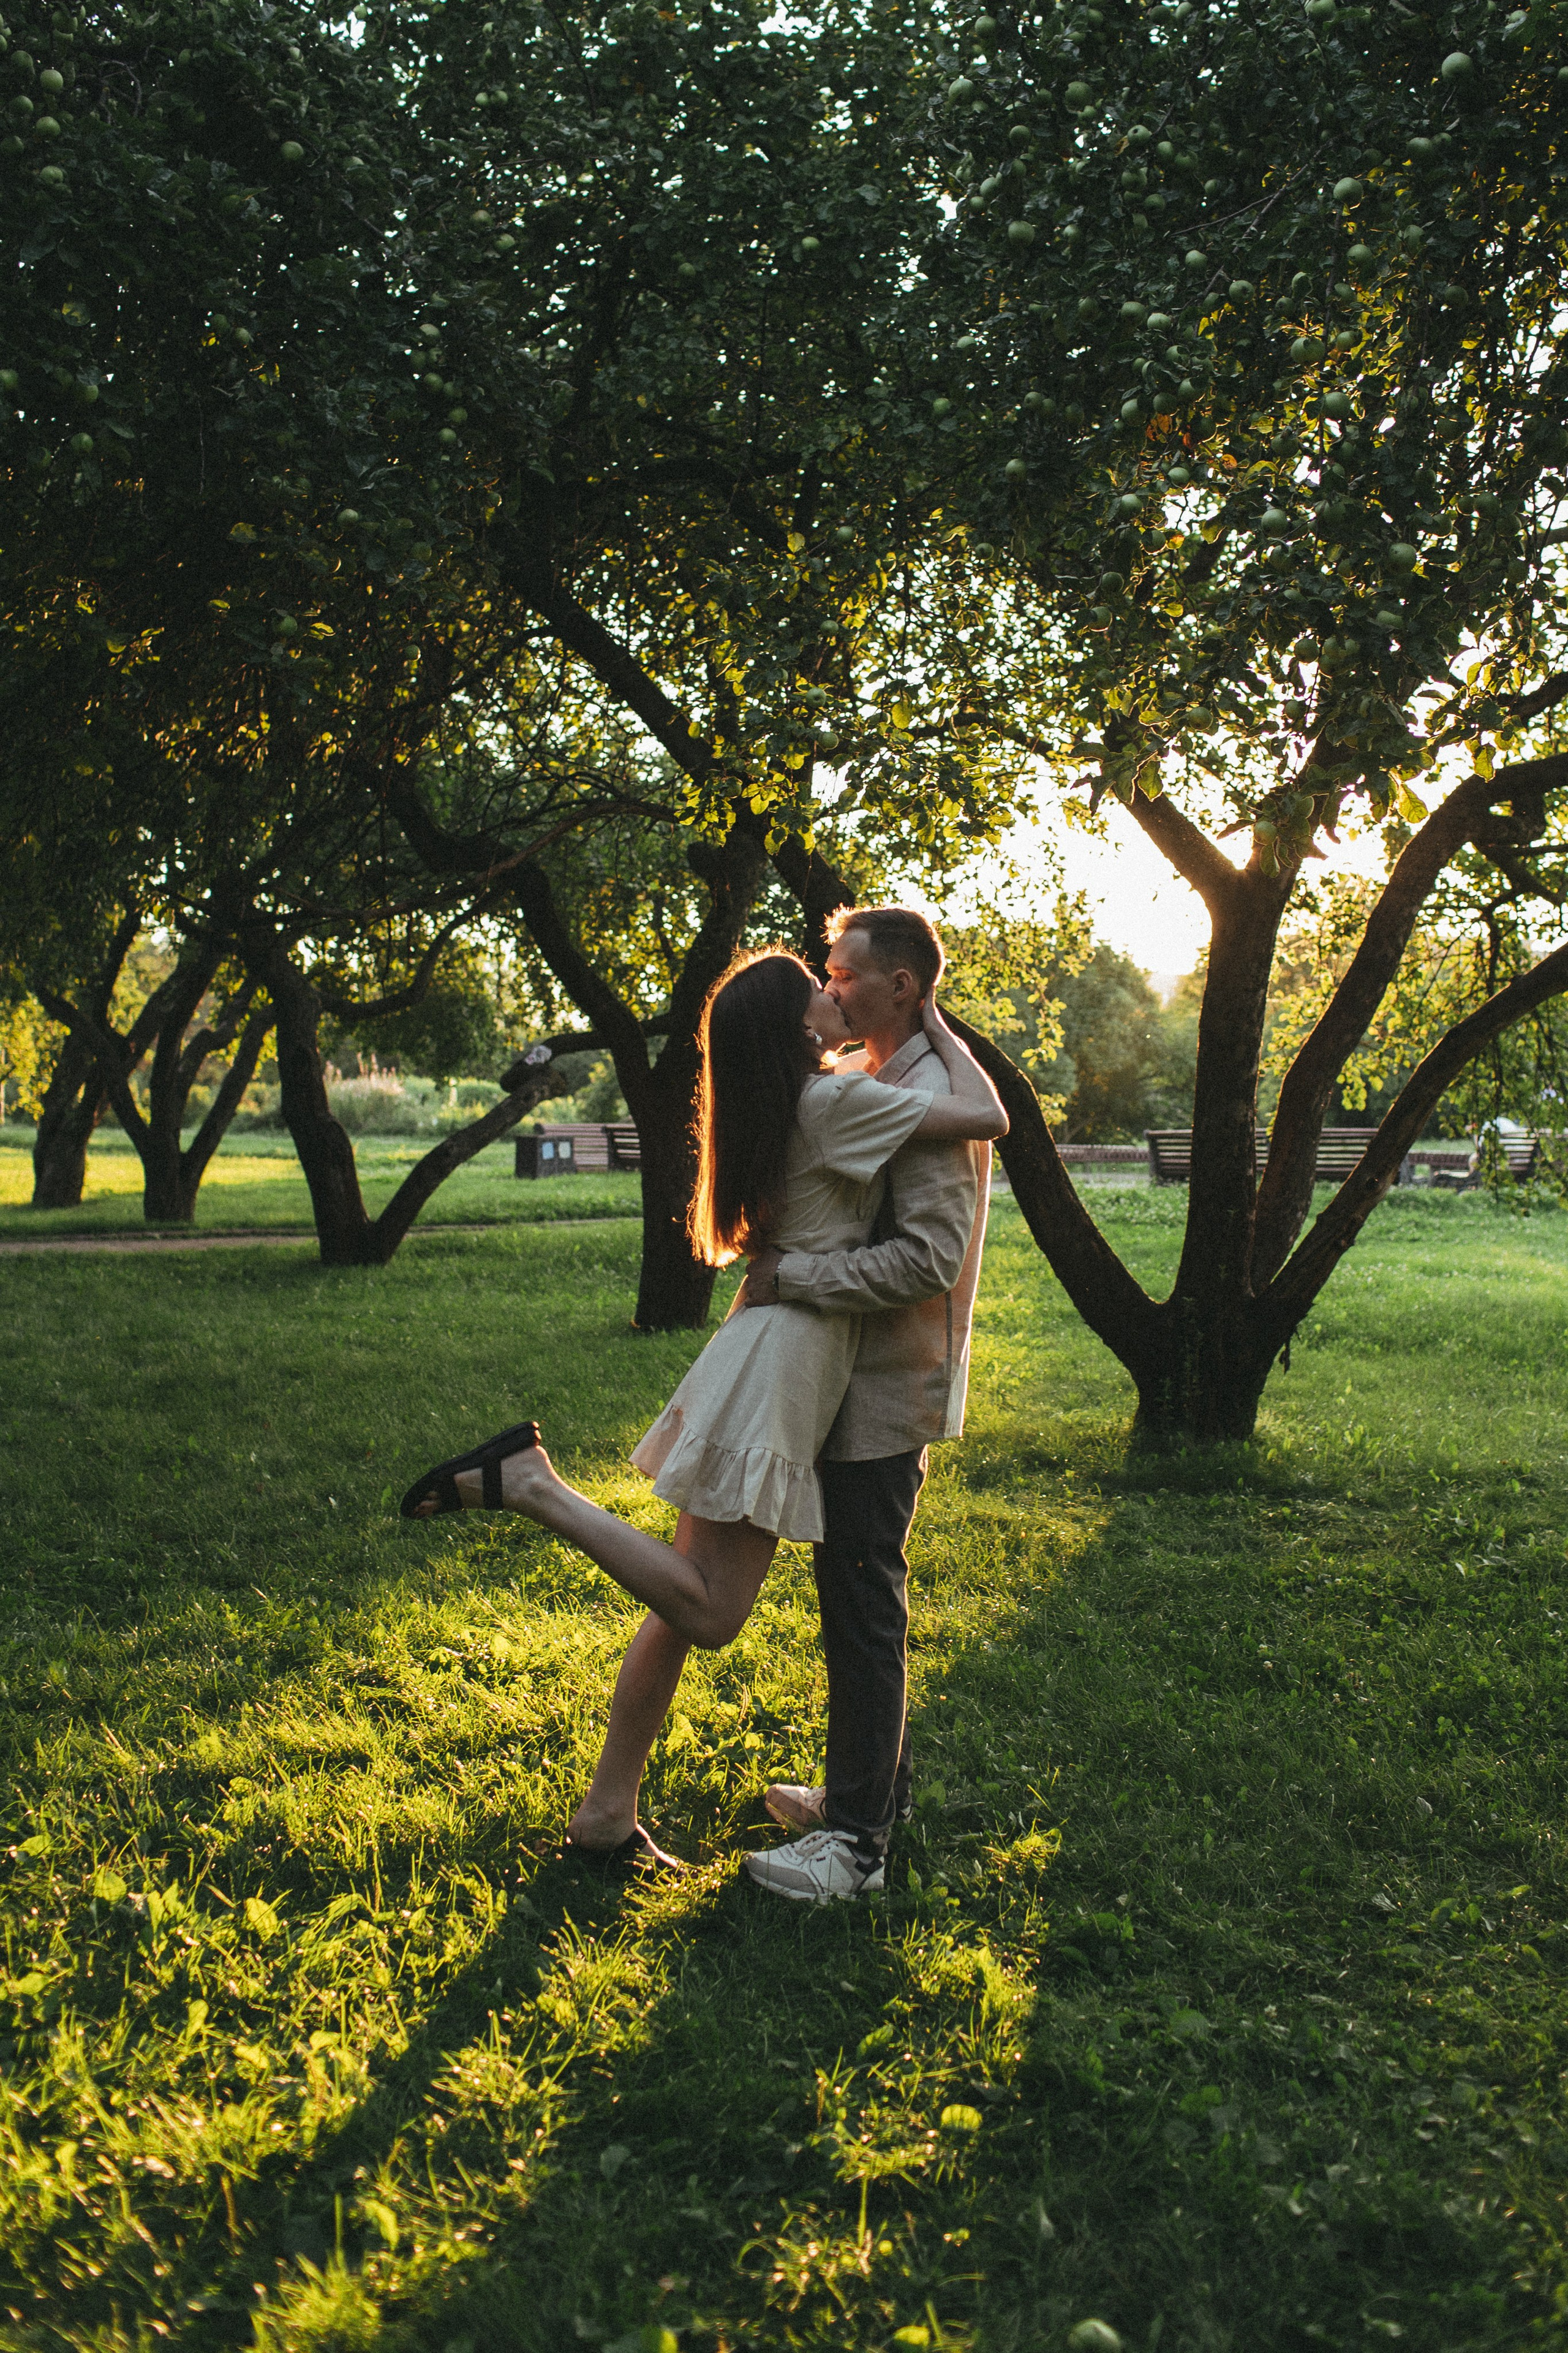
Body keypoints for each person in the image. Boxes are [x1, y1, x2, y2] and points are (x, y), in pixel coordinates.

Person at [399, 946, 1007, 1879]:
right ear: (798, 1027)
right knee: (713, 1610)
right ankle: (533, 1485)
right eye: (819, 984)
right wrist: (932, 1017)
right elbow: (990, 1116)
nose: (832, 991)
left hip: (756, 1347)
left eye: (840, 976)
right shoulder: (834, 1101)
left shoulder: (783, 1097)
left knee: (681, 1603)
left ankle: (607, 1815)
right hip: (787, 1362)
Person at [736, 905, 992, 1903]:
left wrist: (795, 1276)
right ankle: (872, 1791)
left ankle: (855, 1847)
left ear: (900, 986)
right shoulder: (887, 1077)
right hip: (854, 1373)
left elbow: (929, 1260)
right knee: (854, 1596)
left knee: (862, 1601)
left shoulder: (924, 1095)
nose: (829, 987)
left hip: (889, 1382)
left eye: (842, 974)